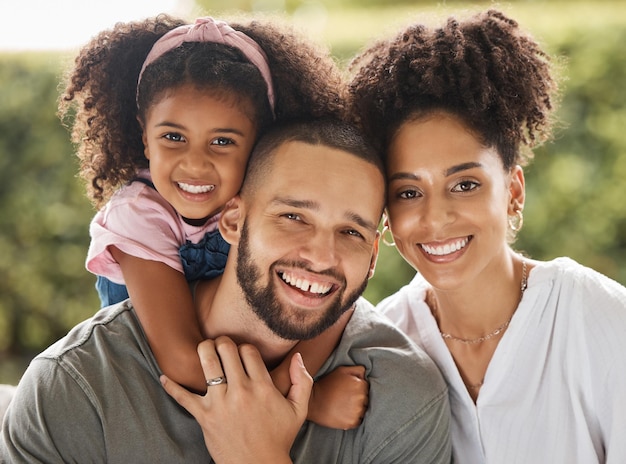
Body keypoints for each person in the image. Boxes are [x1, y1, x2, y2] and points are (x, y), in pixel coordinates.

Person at [0, 118, 452, 463]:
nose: (320, 256)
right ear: (233, 221)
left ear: (373, 256)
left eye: (351, 232)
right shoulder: (76, 391)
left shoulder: (399, 399)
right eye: (293, 217)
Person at [58, 14, 366, 429]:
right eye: (173, 137)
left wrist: (300, 380)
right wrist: (303, 400)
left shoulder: (268, 206)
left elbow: (335, 307)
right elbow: (182, 361)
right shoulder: (139, 214)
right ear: (144, 135)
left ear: (260, 141)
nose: (196, 163)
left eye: (223, 141)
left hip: (236, 375)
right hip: (153, 390)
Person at [348, 8, 626, 463]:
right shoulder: (381, 340)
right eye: (409, 191)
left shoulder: (597, 320)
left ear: (513, 191)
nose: (435, 219)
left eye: (465, 184)